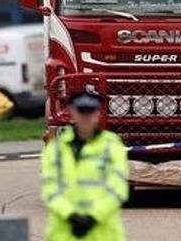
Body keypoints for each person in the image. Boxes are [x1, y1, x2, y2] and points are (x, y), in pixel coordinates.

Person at [41, 92, 129, 241]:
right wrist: (71, 215)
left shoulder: (112, 146)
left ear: (98, 114)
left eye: (91, 111)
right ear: (73, 113)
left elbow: (118, 189)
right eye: (81, 111)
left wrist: (94, 217)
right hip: (65, 234)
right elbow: (50, 190)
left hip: (102, 234)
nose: (86, 117)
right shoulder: (56, 149)